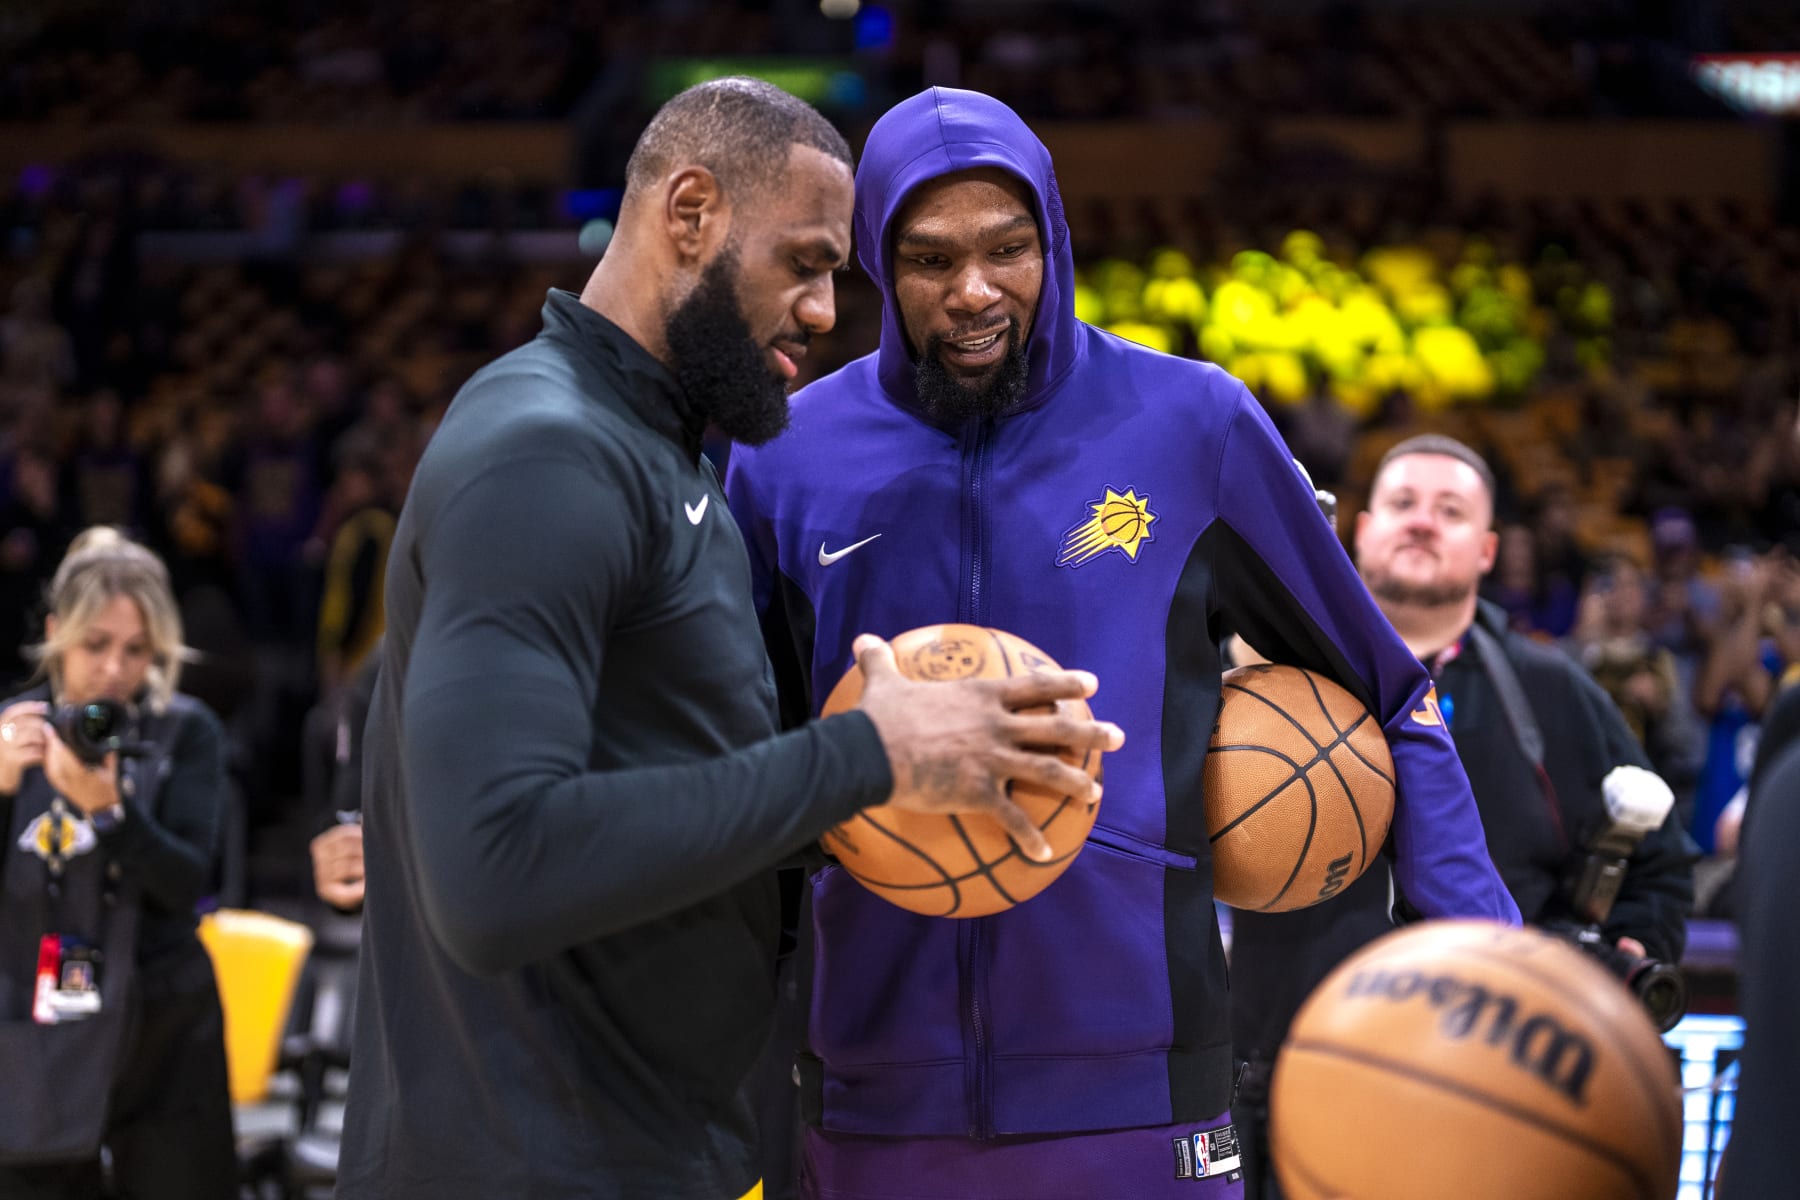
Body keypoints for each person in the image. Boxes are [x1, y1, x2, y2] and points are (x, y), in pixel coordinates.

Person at [334, 78, 1122, 1200]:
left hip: (656, 1145)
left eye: (835, 276)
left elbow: (684, 798)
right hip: (526, 1164)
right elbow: (496, 869)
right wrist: (867, 757)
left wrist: (948, 773)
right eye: (803, 262)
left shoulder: (668, 460)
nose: (822, 309)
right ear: (691, 212)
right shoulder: (546, 454)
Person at [723, 87, 1517, 1200]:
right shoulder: (783, 458)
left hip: (1146, 1094)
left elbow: (1390, 697)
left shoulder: (1193, 424)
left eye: (1010, 248)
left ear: (1055, 234)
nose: (975, 291)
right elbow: (736, 765)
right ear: (874, 263)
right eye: (930, 259)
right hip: (870, 1090)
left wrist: (1486, 976)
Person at [1228, 435, 1697, 1199]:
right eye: (1403, 504)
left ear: (1486, 550)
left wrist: (1613, 965)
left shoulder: (1556, 691)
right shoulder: (1260, 678)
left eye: (1449, 512)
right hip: (1275, 1083)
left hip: (1490, 1090)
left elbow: (1665, 864)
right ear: (1361, 529)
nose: (1422, 522)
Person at [0, 526, 235, 1199]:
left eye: (137, 651)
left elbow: (188, 882)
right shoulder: (13, 734)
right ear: (55, 633)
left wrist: (110, 814)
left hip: (162, 1027)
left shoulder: (186, 731)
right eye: (95, 645)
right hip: (39, 1019)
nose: (114, 670)